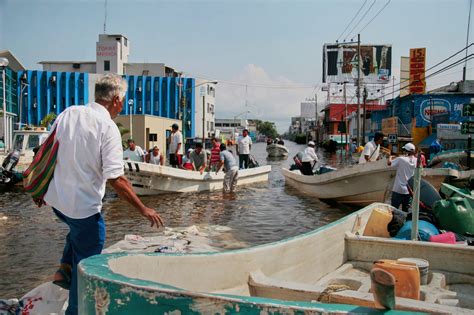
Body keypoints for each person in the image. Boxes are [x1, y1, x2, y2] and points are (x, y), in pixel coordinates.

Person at [43, 74, 164, 315]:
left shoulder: (69, 112)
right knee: (86, 266)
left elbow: (46, 151)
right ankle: (76, 308)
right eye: (123, 101)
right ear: (116, 99)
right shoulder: (107, 127)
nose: (123, 105)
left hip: (57, 202)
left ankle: (64, 268)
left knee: (75, 232)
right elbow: (116, 179)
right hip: (82, 210)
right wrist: (143, 209)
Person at [387, 143, 417, 212]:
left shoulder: (401, 159)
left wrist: (390, 156)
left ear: (406, 151)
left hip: (398, 189)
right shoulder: (416, 160)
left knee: (393, 210)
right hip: (409, 190)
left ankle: (394, 222)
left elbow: (389, 163)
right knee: (405, 211)